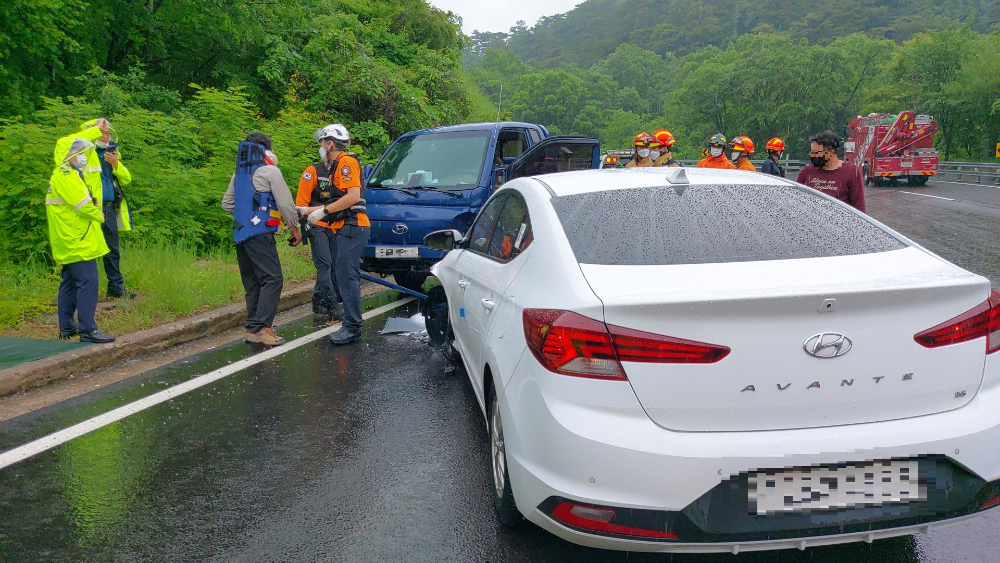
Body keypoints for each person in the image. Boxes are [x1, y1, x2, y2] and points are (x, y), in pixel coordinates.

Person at [222, 132, 302, 346]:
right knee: (273, 278)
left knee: (253, 283)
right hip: (260, 235)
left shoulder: (238, 175)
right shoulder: (270, 171)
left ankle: (252, 328)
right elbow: (285, 204)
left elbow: (227, 204)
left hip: (241, 234)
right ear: (267, 150)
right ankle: (263, 328)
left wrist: (247, 216)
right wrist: (295, 228)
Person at [301, 124, 371, 345]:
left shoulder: (346, 162)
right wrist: (309, 211)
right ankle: (351, 324)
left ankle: (352, 327)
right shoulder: (335, 167)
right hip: (347, 226)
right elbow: (337, 202)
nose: (321, 147)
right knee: (343, 275)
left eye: (322, 143)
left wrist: (323, 210)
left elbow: (352, 197)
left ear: (330, 143)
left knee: (346, 277)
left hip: (353, 226)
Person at [46, 134, 115, 343]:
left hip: (69, 238)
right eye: (79, 153)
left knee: (69, 282)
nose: (83, 157)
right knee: (88, 282)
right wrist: (99, 214)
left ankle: (67, 327)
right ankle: (88, 329)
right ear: (70, 156)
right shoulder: (66, 174)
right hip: (77, 239)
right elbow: (84, 205)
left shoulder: (65, 174)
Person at [296, 129, 346, 322]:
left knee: (333, 265)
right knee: (324, 265)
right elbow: (301, 205)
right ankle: (332, 304)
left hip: (335, 225)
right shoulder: (312, 172)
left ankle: (319, 301)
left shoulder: (340, 172)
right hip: (316, 225)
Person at [83, 119, 136, 299]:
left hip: (109, 209)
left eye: (108, 134)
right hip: (89, 209)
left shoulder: (111, 153)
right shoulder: (85, 153)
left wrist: (116, 164)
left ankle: (116, 287)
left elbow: (127, 178)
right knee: (88, 250)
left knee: (112, 249)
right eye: (102, 133)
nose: (106, 137)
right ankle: (83, 289)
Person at [796, 130, 866, 212]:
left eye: (815, 153)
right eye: (811, 152)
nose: (812, 156)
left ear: (831, 152)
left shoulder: (852, 172)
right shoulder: (806, 172)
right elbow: (797, 201)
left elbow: (859, 207)